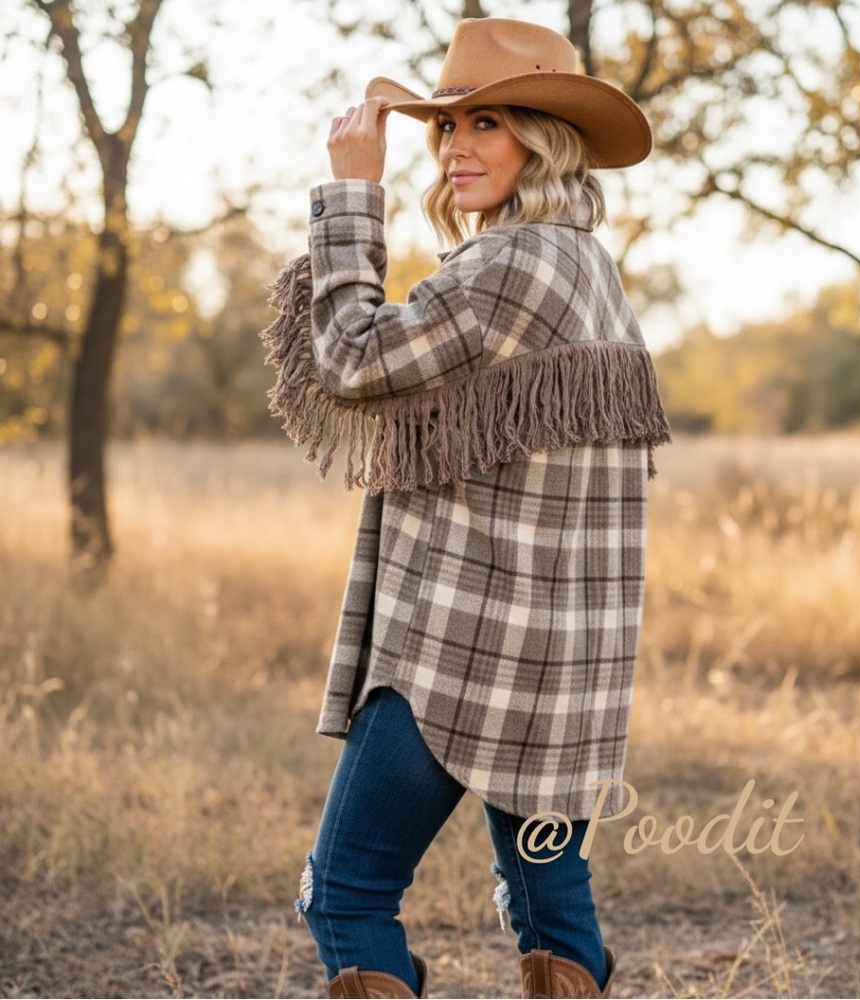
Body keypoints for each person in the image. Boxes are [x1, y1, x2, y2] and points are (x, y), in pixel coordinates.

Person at [262, 16, 670, 1000]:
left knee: (344, 894)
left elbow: (352, 359)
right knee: (551, 912)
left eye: (486, 123)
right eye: (447, 126)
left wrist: (352, 192)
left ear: (544, 140)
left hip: (458, 652)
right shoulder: (586, 267)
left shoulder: (512, 265)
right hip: (561, 667)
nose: (454, 148)